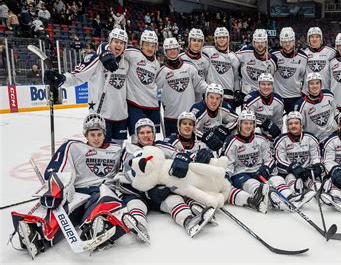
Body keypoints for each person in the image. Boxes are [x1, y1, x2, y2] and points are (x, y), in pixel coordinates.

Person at [10, 113, 131, 259]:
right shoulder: (73, 147)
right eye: (92, 134)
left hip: (102, 190)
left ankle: (96, 227)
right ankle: (36, 235)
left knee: (103, 202)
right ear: (85, 134)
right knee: (57, 208)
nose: (96, 138)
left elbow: (130, 163)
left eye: (99, 134)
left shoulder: (117, 149)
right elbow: (58, 168)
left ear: (104, 134)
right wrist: (58, 187)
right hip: (79, 191)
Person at [119, 118, 217, 240]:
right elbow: (128, 177)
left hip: (160, 192)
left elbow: (180, 155)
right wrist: (148, 192)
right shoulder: (130, 150)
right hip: (137, 193)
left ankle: (189, 221)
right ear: (137, 136)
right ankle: (139, 225)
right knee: (136, 204)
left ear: (154, 134)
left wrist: (195, 156)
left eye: (149, 132)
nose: (146, 136)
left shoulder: (161, 146)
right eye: (142, 133)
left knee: (174, 200)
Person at [164, 111, 269, 213]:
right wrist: (186, 157)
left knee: (223, 186)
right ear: (179, 126)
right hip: (178, 181)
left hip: (197, 181)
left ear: (194, 127)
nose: (187, 126)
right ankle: (195, 205)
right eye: (184, 123)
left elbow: (211, 161)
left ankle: (250, 200)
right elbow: (163, 155)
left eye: (190, 124)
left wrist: (208, 156)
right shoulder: (169, 141)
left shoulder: (201, 144)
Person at [45, 28, 130, 145]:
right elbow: (77, 77)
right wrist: (62, 79)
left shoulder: (126, 63)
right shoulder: (96, 60)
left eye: (122, 43)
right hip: (100, 117)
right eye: (116, 41)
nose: (118, 45)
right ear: (109, 42)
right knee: (99, 155)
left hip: (121, 118)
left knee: (117, 154)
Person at [222, 110, 307, 211]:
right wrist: (227, 174)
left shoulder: (261, 139)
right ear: (239, 124)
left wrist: (265, 168)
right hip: (241, 173)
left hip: (259, 171)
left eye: (251, 123)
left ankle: (289, 196)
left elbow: (269, 159)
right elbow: (228, 163)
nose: (248, 126)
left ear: (254, 125)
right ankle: (265, 198)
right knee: (252, 184)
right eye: (245, 123)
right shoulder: (231, 141)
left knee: (276, 179)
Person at [157, 37, 208, 137]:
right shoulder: (162, 71)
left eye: (174, 48)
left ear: (178, 49)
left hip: (189, 117)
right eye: (169, 49)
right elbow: (153, 91)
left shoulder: (189, 67)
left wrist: (211, 89)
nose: (172, 51)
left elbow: (199, 85)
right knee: (172, 147)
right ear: (165, 51)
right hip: (171, 117)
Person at [123, 30, 161, 140]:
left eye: (153, 46)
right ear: (141, 44)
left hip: (153, 106)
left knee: (151, 139)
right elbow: (115, 48)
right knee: (137, 138)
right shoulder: (133, 54)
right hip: (135, 105)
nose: (150, 48)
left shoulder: (157, 64)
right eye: (147, 45)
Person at [274, 111, 320, 200]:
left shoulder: (311, 138)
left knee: (312, 180)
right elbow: (279, 160)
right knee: (291, 178)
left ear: (301, 124)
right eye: (290, 124)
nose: (293, 126)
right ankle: (296, 193)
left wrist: (316, 166)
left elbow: (316, 157)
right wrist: (293, 167)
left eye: (296, 123)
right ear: (287, 126)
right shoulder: (281, 140)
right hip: (289, 172)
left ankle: (320, 191)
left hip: (306, 171)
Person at [190, 83, 238, 151]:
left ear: (221, 99)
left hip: (219, 143)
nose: (214, 101)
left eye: (217, 98)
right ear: (206, 97)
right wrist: (204, 137)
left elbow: (237, 120)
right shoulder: (198, 109)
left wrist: (226, 129)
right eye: (211, 97)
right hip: (199, 143)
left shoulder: (224, 107)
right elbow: (189, 129)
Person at [272, 27, 308, 114]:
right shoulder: (273, 55)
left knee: (295, 125)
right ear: (281, 42)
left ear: (294, 41)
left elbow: (304, 77)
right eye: (284, 41)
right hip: (278, 96)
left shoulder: (303, 57)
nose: (287, 44)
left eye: (290, 41)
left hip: (296, 97)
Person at [236, 29, 278, 103]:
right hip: (245, 94)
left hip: (264, 95)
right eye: (257, 42)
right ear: (253, 42)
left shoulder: (273, 60)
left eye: (262, 42)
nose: (260, 44)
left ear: (266, 43)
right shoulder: (244, 52)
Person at [202, 27, 240, 109]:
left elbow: (236, 77)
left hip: (228, 96)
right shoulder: (207, 51)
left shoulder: (233, 57)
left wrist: (237, 91)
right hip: (212, 95)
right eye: (219, 37)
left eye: (224, 37)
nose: (222, 39)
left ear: (228, 39)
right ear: (215, 38)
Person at [295, 72, 338, 143]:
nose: (315, 86)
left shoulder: (328, 95)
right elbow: (300, 127)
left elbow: (335, 113)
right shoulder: (301, 104)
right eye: (311, 83)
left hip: (332, 136)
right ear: (307, 86)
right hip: (314, 141)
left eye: (317, 83)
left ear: (321, 84)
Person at [243, 73, 284, 141]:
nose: (266, 87)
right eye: (263, 84)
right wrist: (262, 123)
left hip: (268, 130)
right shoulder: (250, 99)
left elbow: (278, 121)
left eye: (269, 84)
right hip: (253, 128)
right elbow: (246, 119)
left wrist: (275, 133)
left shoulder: (279, 101)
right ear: (259, 85)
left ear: (272, 85)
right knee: (257, 131)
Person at [178, 28, 210, 102]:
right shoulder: (180, 58)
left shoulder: (205, 59)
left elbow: (207, 79)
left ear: (202, 43)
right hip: (183, 98)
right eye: (194, 40)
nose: (196, 43)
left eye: (199, 41)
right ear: (189, 42)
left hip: (199, 99)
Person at [303, 27, 336, 94]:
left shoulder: (331, 52)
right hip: (308, 92)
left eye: (317, 37)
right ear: (308, 39)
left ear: (321, 38)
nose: (314, 39)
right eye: (312, 37)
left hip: (325, 90)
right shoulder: (303, 53)